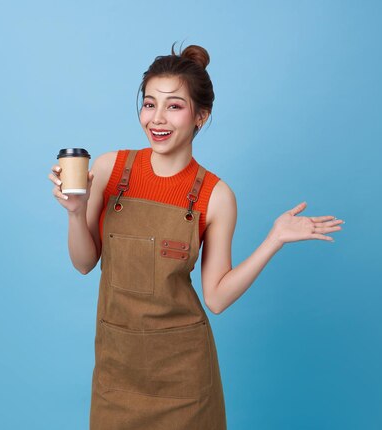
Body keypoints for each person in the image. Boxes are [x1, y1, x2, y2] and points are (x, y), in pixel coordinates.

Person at [49, 42, 344, 430]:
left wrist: (274, 239)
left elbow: (217, 298)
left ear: (200, 116)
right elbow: (85, 263)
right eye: (150, 103)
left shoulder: (216, 196)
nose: (158, 118)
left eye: (174, 106)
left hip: (183, 377)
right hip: (117, 371)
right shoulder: (109, 169)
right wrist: (75, 213)